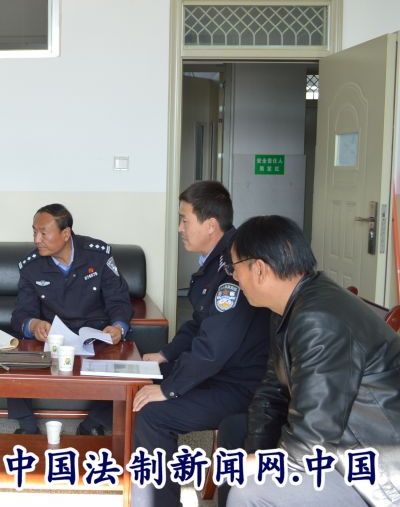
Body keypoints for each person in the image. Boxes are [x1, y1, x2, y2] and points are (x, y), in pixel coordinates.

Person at [227, 215, 400, 506]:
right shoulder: (289, 305)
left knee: (250, 491)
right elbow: (271, 392)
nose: (234, 278)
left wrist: (255, 468)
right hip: (341, 442)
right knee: (236, 432)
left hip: (374, 469)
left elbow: (312, 440)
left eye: (235, 268)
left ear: (259, 269)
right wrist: (254, 455)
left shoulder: (318, 319)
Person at [132, 181, 270, 507]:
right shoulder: (214, 261)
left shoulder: (232, 267)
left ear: (210, 225)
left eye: (185, 220)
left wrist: (169, 390)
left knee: (152, 414)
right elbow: (198, 323)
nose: (180, 229)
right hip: (219, 372)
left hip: (240, 385)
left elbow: (213, 348)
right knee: (139, 379)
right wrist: (165, 354)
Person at [8, 203, 132, 435]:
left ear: (66, 234)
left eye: (43, 233)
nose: (36, 239)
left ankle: (93, 423)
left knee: (124, 357)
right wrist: (33, 325)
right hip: (52, 338)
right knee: (12, 354)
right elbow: (21, 314)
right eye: (34, 232)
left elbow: (119, 300)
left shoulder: (98, 254)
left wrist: (118, 327)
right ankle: (26, 425)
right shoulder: (31, 266)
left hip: (95, 335)